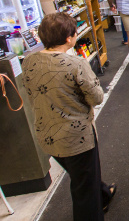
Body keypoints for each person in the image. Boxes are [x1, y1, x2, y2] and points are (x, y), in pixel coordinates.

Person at [23, 13, 116, 220]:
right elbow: (97, 97)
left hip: (47, 134)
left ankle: (103, 193)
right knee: (84, 189)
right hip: (76, 137)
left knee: (82, 175)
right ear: (69, 38)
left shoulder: (29, 61)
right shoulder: (75, 64)